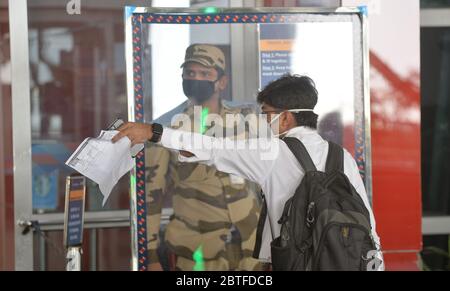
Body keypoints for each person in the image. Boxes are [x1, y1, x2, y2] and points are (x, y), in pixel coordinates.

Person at [113, 74, 384, 270]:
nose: (264, 120)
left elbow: (213, 148)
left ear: (286, 117)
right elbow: (366, 221)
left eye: (267, 114)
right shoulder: (341, 156)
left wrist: (153, 132)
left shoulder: (273, 152)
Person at [143, 44, 262, 271]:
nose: (195, 79)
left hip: (251, 249)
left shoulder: (246, 121)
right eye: (189, 73)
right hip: (197, 255)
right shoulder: (167, 130)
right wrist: (151, 257)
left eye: (205, 74)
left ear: (222, 82)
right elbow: (151, 196)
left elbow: (267, 180)